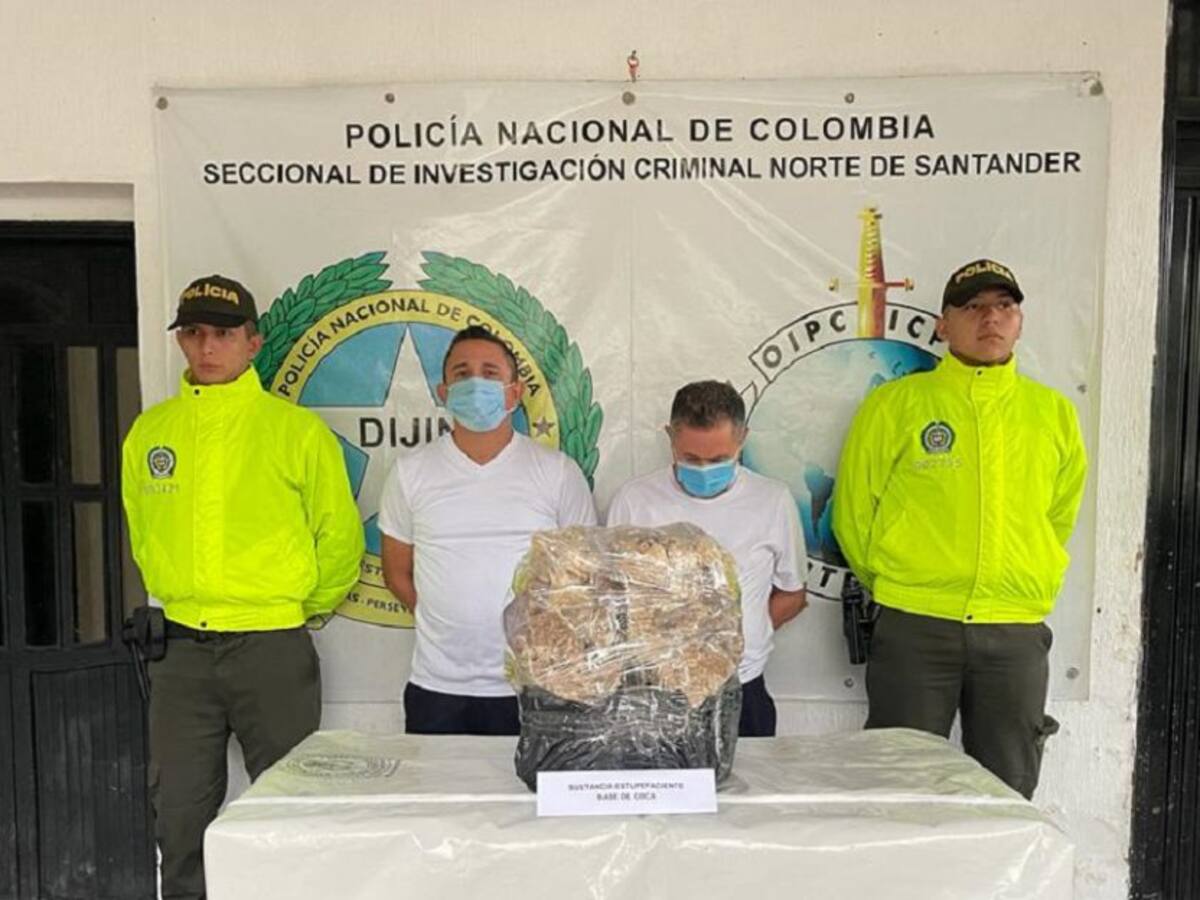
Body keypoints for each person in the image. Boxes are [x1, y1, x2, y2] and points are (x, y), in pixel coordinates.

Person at [121, 275, 364, 899]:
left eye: (224, 334)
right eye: (194, 332)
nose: (207, 346)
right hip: (181, 653)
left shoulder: (295, 432)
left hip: (271, 648)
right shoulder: (151, 433)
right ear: (181, 341)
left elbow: (339, 540)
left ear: (253, 344)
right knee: (179, 815)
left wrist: (288, 608)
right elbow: (144, 534)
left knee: (291, 810)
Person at [832, 258, 1087, 798]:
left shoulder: (1054, 413)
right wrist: (902, 583)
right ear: (943, 325)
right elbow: (853, 512)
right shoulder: (896, 405)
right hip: (915, 626)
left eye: (1004, 306)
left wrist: (1018, 575)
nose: (990, 318)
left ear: (1019, 321)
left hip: (1013, 629)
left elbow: (1058, 516)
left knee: (1007, 790)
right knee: (898, 784)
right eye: (973, 307)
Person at [378, 325, 597, 735]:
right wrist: (446, 622)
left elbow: (581, 576)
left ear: (514, 394)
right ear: (444, 392)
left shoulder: (557, 473)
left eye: (490, 373)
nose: (475, 382)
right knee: (435, 778)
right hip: (437, 687)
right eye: (462, 374)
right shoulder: (410, 473)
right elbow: (396, 572)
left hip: (531, 685)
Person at [606, 380, 808, 737]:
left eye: (718, 460)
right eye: (690, 459)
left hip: (742, 688)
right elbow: (610, 597)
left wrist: (741, 634)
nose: (703, 469)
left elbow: (793, 594)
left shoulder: (772, 500)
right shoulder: (635, 501)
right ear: (670, 437)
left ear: (742, 438)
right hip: (657, 692)